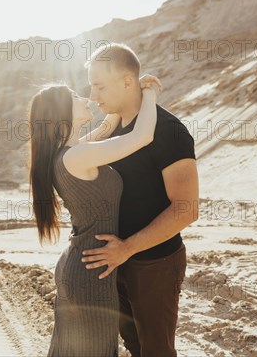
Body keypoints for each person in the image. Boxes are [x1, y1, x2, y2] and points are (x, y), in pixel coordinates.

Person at [28, 73, 163, 356]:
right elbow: (143, 136)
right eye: (77, 97)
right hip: (90, 271)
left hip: (83, 264)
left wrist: (125, 96)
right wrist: (150, 92)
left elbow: (105, 127)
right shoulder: (77, 156)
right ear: (62, 112)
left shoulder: (71, 152)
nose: (87, 98)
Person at [80, 43, 199, 357]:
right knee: (134, 347)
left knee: (156, 351)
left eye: (100, 86)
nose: (93, 97)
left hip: (155, 263)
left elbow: (186, 210)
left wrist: (128, 248)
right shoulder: (110, 130)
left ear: (127, 82)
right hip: (115, 262)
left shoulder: (169, 132)